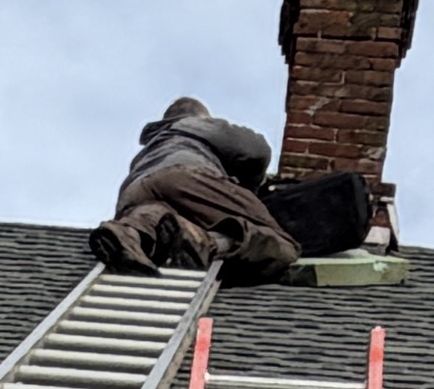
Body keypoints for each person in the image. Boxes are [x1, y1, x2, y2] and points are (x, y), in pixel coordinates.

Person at [89, 97, 305, 279]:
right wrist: (251, 186)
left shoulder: (152, 146)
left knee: (154, 215)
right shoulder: (195, 124)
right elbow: (257, 150)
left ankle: (129, 234)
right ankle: (202, 243)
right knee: (282, 246)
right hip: (184, 177)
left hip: (133, 192)